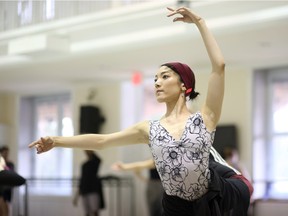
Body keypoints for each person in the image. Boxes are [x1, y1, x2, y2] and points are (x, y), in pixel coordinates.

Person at [29, 6, 253, 216]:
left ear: (184, 84)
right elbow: (102, 141)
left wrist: (200, 22)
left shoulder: (204, 118)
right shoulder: (149, 128)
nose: (157, 82)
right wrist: (57, 141)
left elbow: (219, 68)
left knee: (241, 186)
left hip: (209, 200)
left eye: (165, 76)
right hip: (176, 207)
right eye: (155, 78)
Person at [73, 150, 104, 216]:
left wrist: (91, 150)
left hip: (93, 190)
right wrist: (77, 196)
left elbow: (99, 160)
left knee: (95, 210)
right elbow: (82, 180)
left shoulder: (95, 163)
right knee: (87, 212)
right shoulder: (84, 165)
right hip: (85, 190)